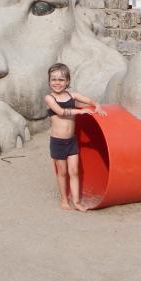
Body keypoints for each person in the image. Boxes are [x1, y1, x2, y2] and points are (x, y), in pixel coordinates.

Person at [45, 63, 106, 211]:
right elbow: (60, 112)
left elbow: (89, 101)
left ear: (67, 81)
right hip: (58, 142)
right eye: (54, 79)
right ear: (49, 82)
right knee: (62, 172)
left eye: (61, 79)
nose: (57, 82)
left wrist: (96, 105)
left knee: (74, 171)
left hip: (71, 141)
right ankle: (64, 199)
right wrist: (79, 111)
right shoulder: (49, 98)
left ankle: (77, 202)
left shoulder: (72, 95)